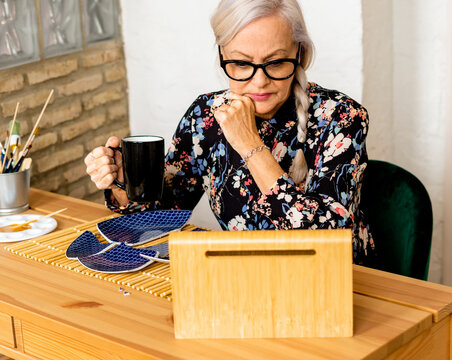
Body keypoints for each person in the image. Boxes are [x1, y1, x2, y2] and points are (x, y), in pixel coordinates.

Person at [85, 0, 375, 265]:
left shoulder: (343, 117)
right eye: (241, 63)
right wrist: (124, 183)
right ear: (223, 55)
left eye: (275, 62)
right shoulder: (205, 115)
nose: (259, 81)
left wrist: (248, 143)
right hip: (240, 280)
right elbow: (159, 221)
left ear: (299, 54)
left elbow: (324, 240)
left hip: (335, 284)